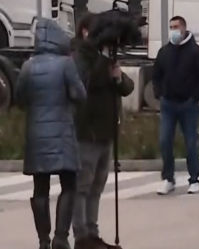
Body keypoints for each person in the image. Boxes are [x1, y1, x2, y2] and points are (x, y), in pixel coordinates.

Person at [14, 18, 87, 249]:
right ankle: (61, 237)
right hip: (63, 131)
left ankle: (43, 240)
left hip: (36, 134)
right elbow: (79, 94)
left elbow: (19, 98)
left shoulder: (28, 66)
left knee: (40, 188)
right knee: (69, 184)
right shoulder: (66, 64)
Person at [72, 15, 134, 249]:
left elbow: (127, 87)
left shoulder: (104, 58)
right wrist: (103, 64)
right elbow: (85, 83)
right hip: (87, 132)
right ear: (85, 32)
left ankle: (93, 231)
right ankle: (81, 235)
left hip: (107, 132)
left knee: (97, 186)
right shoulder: (80, 56)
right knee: (82, 186)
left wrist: (118, 77)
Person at [154, 16, 199, 196]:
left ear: (184, 28)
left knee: (191, 142)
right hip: (168, 104)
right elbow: (156, 75)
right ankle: (168, 179)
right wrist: (160, 94)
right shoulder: (164, 52)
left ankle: (194, 179)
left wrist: (195, 97)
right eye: (171, 27)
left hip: (188, 105)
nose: (174, 30)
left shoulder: (195, 51)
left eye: (176, 26)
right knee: (165, 141)